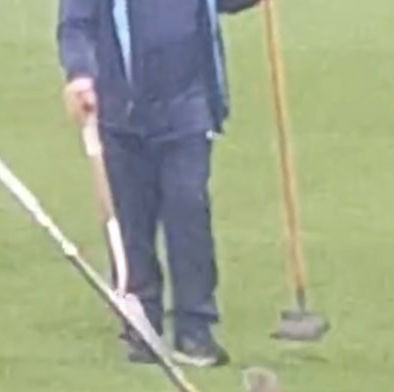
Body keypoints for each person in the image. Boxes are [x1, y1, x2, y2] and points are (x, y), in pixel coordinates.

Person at [57, 0, 262, 367]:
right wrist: (80, 74)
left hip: (188, 105)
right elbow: (76, 22)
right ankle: (141, 322)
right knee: (132, 221)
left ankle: (195, 328)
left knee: (189, 208)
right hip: (122, 112)